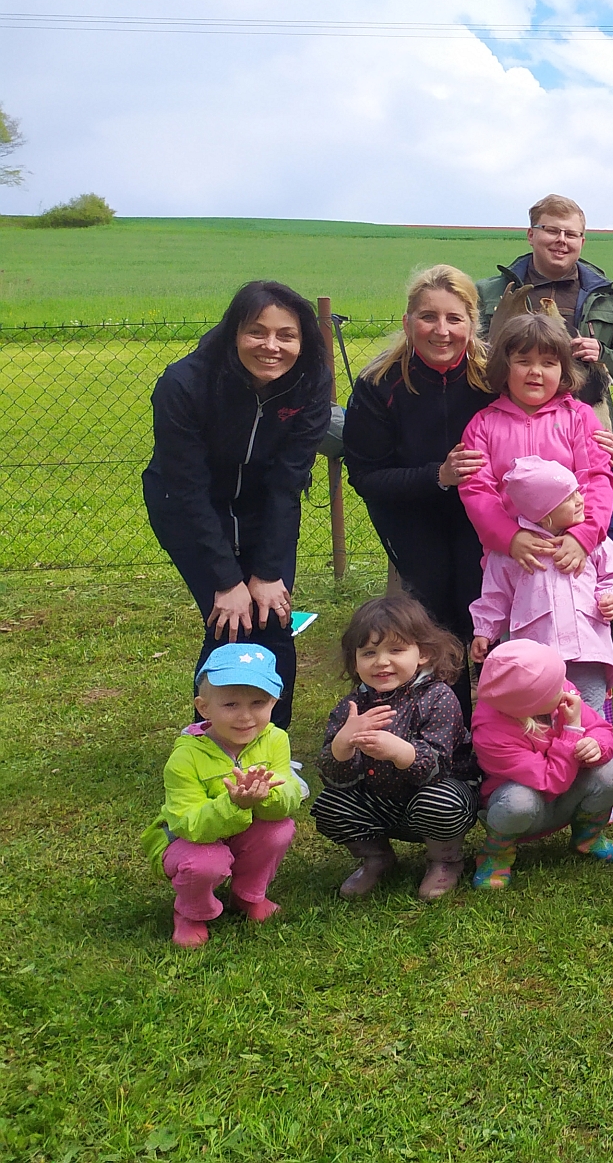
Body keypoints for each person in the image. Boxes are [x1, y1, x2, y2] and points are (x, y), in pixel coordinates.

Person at [144, 280, 332, 731]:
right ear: (234, 332)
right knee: (230, 622)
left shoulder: (311, 381)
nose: (272, 346)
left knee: (274, 619)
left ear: (303, 340)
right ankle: (210, 746)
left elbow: (287, 483)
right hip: (187, 507)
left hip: (264, 507)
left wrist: (267, 573)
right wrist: (227, 581)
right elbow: (188, 488)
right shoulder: (183, 383)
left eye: (286, 335)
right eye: (257, 332)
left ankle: (272, 746)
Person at [343, 265, 494, 715]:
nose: (441, 331)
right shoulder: (377, 384)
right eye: (429, 317)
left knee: (483, 614)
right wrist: (437, 476)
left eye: (454, 318)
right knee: (433, 621)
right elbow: (366, 477)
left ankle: (495, 727)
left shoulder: (494, 376)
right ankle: (444, 726)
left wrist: (592, 439)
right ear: (408, 322)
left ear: (472, 323)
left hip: (481, 515)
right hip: (410, 514)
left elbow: (550, 402)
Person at [312, 595, 480, 902]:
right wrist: (342, 745)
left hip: (431, 800)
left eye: (396, 650)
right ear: (355, 660)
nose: (381, 661)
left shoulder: (438, 697)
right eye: (369, 652)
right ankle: (377, 858)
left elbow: (438, 766)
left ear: (423, 654)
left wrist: (398, 751)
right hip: (381, 803)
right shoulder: (352, 706)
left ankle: (445, 859)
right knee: (329, 804)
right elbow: (333, 777)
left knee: (444, 799)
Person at [140, 644, 301, 949]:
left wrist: (267, 796)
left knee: (280, 829)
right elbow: (187, 823)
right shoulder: (185, 756)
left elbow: (291, 793)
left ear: (274, 702)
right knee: (205, 863)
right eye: (230, 705)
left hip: (242, 830)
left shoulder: (276, 739)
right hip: (190, 840)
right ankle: (191, 911)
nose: (245, 716)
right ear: (204, 708)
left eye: (258, 703)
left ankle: (248, 895)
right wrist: (233, 804)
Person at [458, 312, 613, 595]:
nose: (536, 371)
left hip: (572, 555)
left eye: (548, 363)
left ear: (564, 369)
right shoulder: (483, 425)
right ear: (504, 366)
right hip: (512, 561)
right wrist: (509, 538)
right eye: (523, 361)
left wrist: (583, 535)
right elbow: (478, 492)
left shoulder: (579, 417)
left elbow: (597, 480)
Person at [471, 458, 613, 719]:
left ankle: (593, 744)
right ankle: (549, 746)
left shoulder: (593, 541)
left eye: (578, 491)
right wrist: (485, 630)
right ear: (545, 516)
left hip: (587, 651)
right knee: (540, 717)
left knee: (589, 713)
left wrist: (610, 596)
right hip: (535, 658)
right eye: (570, 498)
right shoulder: (512, 552)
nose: (580, 500)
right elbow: (495, 595)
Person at [468, 639, 613, 889]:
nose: (565, 686)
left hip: (563, 794)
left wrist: (597, 745)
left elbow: (600, 728)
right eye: (555, 686)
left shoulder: (557, 693)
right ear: (529, 704)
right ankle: (496, 854)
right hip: (527, 807)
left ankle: (588, 838)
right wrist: (572, 730)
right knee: (518, 802)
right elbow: (551, 780)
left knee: (609, 771)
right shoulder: (492, 733)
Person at [476, 193, 613, 428]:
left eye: (571, 234)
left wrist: (602, 354)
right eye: (552, 231)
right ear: (531, 235)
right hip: (509, 425)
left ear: (582, 242)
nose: (561, 240)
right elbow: (472, 363)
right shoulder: (489, 293)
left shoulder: (608, 297)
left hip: (586, 428)